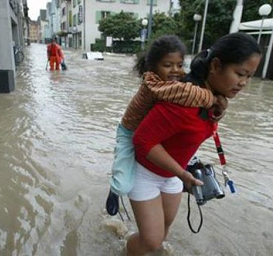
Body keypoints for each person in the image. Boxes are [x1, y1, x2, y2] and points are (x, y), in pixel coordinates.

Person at [125, 32, 262, 255]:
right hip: (145, 173)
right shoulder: (184, 100)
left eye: (249, 76)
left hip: (173, 175)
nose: (244, 83)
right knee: (150, 241)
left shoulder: (211, 97)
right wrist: (182, 173)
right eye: (240, 74)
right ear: (216, 65)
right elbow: (142, 140)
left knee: (163, 234)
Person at [105, 35, 227, 216]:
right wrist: (214, 98)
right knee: (124, 183)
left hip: (153, 135)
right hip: (129, 132)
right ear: (154, 66)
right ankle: (115, 189)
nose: (175, 70)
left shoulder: (177, 79)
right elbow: (186, 93)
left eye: (179, 65)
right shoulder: (153, 84)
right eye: (167, 65)